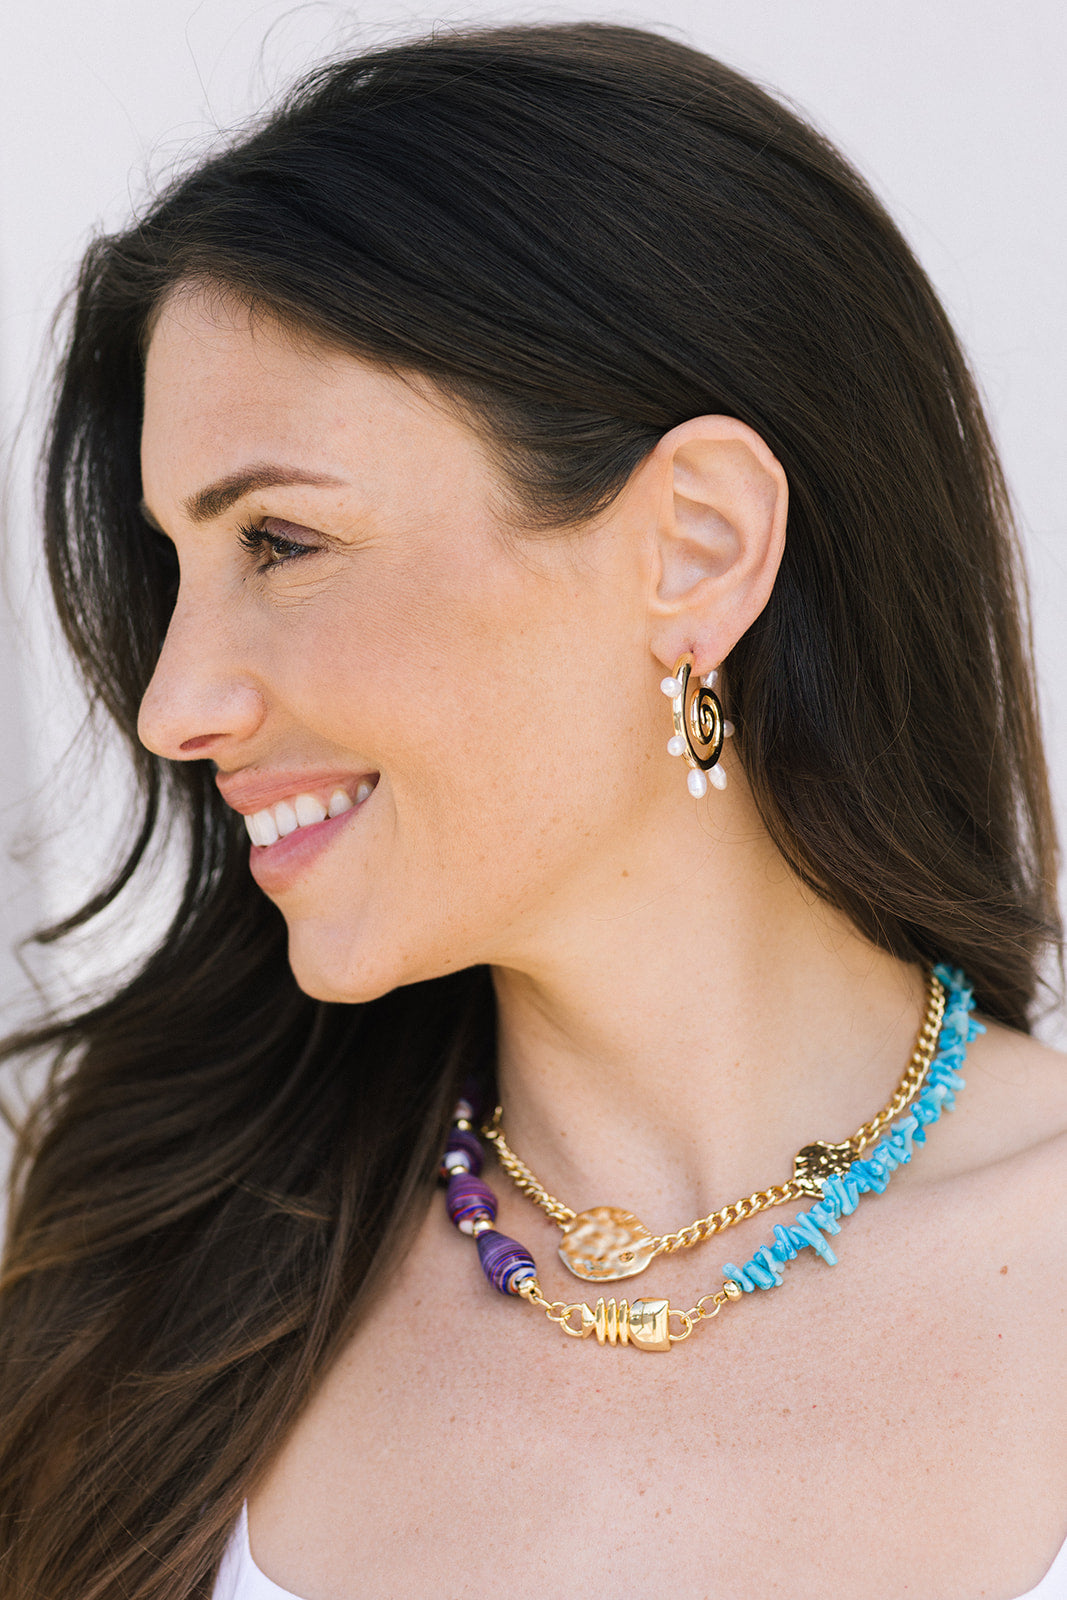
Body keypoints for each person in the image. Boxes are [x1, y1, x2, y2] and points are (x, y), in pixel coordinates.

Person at [0, 19, 1064, 1600]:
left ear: (694, 548)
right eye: (177, 571)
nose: (173, 704)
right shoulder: (139, 1290)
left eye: (279, 544)